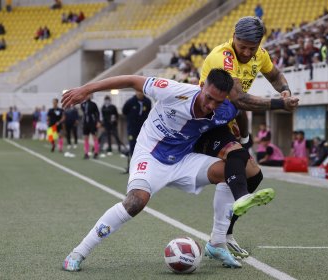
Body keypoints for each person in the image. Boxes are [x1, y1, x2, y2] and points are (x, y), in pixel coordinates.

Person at [61, 69, 297, 271]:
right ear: (201, 86)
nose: (211, 105)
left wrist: (243, 138)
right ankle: (77, 253)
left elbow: (238, 110)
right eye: (209, 98)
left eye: (218, 101)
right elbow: (132, 80)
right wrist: (87, 89)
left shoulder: (224, 107)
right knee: (136, 202)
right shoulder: (174, 90)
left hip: (184, 159)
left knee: (232, 171)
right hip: (151, 154)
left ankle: (217, 243)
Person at [196, 16, 296, 259]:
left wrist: (285, 89)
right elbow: (239, 98)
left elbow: (275, 75)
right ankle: (218, 239)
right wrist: (279, 103)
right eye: (242, 46)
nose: (247, 52)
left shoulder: (259, 54)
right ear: (234, 38)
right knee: (238, 162)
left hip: (229, 120)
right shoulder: (223, 57)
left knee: (254, 175)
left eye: (252, 48)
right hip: (205, 119)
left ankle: (224, 235)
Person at [122, 90, 151, 163]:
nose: (139, 93)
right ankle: (132, 164)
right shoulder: (130, 102)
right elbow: (124, 111)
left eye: (140, 92)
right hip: (132, 128)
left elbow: (148, 112)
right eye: (138, 92)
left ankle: (142, 163)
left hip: (143, 128)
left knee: (143, 146)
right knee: (132, 145)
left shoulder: (147, 101)